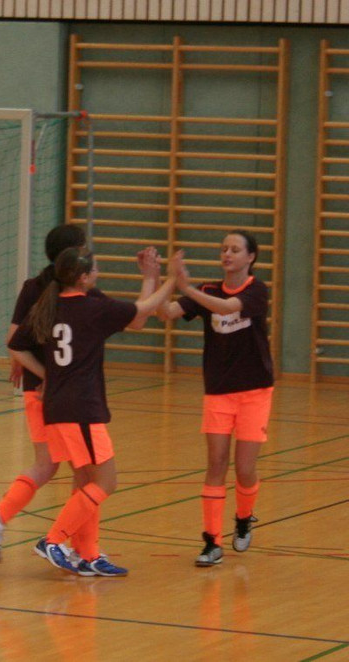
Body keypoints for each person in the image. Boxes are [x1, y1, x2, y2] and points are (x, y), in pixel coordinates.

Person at [0, 224, 161, 564]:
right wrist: (156, 278)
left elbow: (14, 339)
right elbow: (137, 319)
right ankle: (73, 547)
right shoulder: (82, 296)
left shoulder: (34, 286)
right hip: (64, 394)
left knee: (56, 467)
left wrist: (34, 369)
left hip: (40, 391)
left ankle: (15, 522)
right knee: (86, 474)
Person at [3, 246, 182, 576]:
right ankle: (53, 540)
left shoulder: (50, 306)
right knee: (107, 481)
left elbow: (15, 344)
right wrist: (172, 280)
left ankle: (88, 554)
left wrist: (47, 374)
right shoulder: (92, 308)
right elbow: (144, 311)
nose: (98, 273)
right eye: (95, 269)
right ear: (84, 277)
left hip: (57, 408)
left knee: (86, 481)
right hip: (81, 409)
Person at [157, 230, 274, 567]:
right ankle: (212, 542)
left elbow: (227, 306)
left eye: (235, 249)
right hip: (219, 391)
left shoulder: (256, 290)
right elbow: (165, 312)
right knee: (216, 463)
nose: (227, 254)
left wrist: (187, 288)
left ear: (250, 257)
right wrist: (162, 279)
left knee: (245, 468)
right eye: (224, 248)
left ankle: (244, 516)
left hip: (254, 391)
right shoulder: (207, 290)